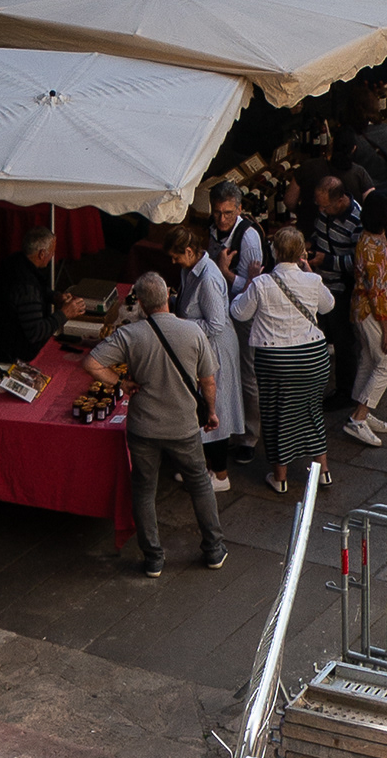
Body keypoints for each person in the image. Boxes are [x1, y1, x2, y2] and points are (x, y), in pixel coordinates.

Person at [86, 272, 228, 577]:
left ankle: (153, 558)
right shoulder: (192, 332)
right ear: (167, 297)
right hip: (183, 426)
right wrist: (212, 413)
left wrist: (121, 383)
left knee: (144, 489)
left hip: (143, 428)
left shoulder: (131, 335)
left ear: (141, 304)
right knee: (200, 484)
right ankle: (214, 549)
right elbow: (208, 381)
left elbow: (91, 362)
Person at [230, 227, 334, 493]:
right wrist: (311, 273)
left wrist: (250, 280)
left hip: (276, 360)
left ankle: (280, 477)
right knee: (312, 411)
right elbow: (328, 306)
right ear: (301, 253)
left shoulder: (262, 284)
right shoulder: (313, 281)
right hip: (313, 357)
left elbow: (239, 312)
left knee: (277, 415)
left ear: (274, 252)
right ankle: (323, 471)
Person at [166, 225, 245, 488]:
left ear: (189, 251)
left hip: (216, 349)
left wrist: (179, 326)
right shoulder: (189, 270)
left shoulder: (209, 278)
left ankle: (221, 475)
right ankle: (206, 467)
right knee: (202, 406)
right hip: (201, 348)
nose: (173, 261)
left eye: (176, 256)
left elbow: (215, 325)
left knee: (216, 407)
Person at [342, 190, 387, 447]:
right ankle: (359, 417)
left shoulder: (372, 237)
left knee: (369, 359)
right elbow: (377, 293)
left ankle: (362, 411)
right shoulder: (374, 247)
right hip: (374, 313)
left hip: (363, 310)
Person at [0, 219, 82, 360]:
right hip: (6, 354)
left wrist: (55, 297)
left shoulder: (15, 261)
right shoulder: (27, 287)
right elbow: (36, 332)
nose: (52, 257)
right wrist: (64, 314)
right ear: (42, 254)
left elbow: (39, 290)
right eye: (52, 252)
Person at [209, 179, 265, 451]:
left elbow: (255, 287)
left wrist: (224, 272)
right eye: (218, 212)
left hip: (245, 316)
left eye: (228, 213)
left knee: (247, 374)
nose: (222, 218)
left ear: (239, 209)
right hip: (221, 311)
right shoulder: (215, 230)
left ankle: (250, 436)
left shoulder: (249, 238)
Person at [307, 173, 362, 406]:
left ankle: (345, 391)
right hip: (320, 283)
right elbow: (320, 234)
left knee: (343, 341)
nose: (321, 210)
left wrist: (326, 261)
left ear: (340, 201)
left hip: (340, 288)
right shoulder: (325, 212)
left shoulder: (358, 221)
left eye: (325, 206)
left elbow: (359, 263)